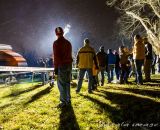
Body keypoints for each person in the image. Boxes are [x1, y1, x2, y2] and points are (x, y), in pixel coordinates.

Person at [53, 27, 73, 108]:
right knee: (67, 83)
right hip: (69, 65)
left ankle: (63, 102)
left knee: (61, 84)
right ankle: (68, 100)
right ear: (63, 32)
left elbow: (56, 57)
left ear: (55, 34)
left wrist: (56, 68)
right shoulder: (68, 43)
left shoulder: (56, 43)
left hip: (62, 65)